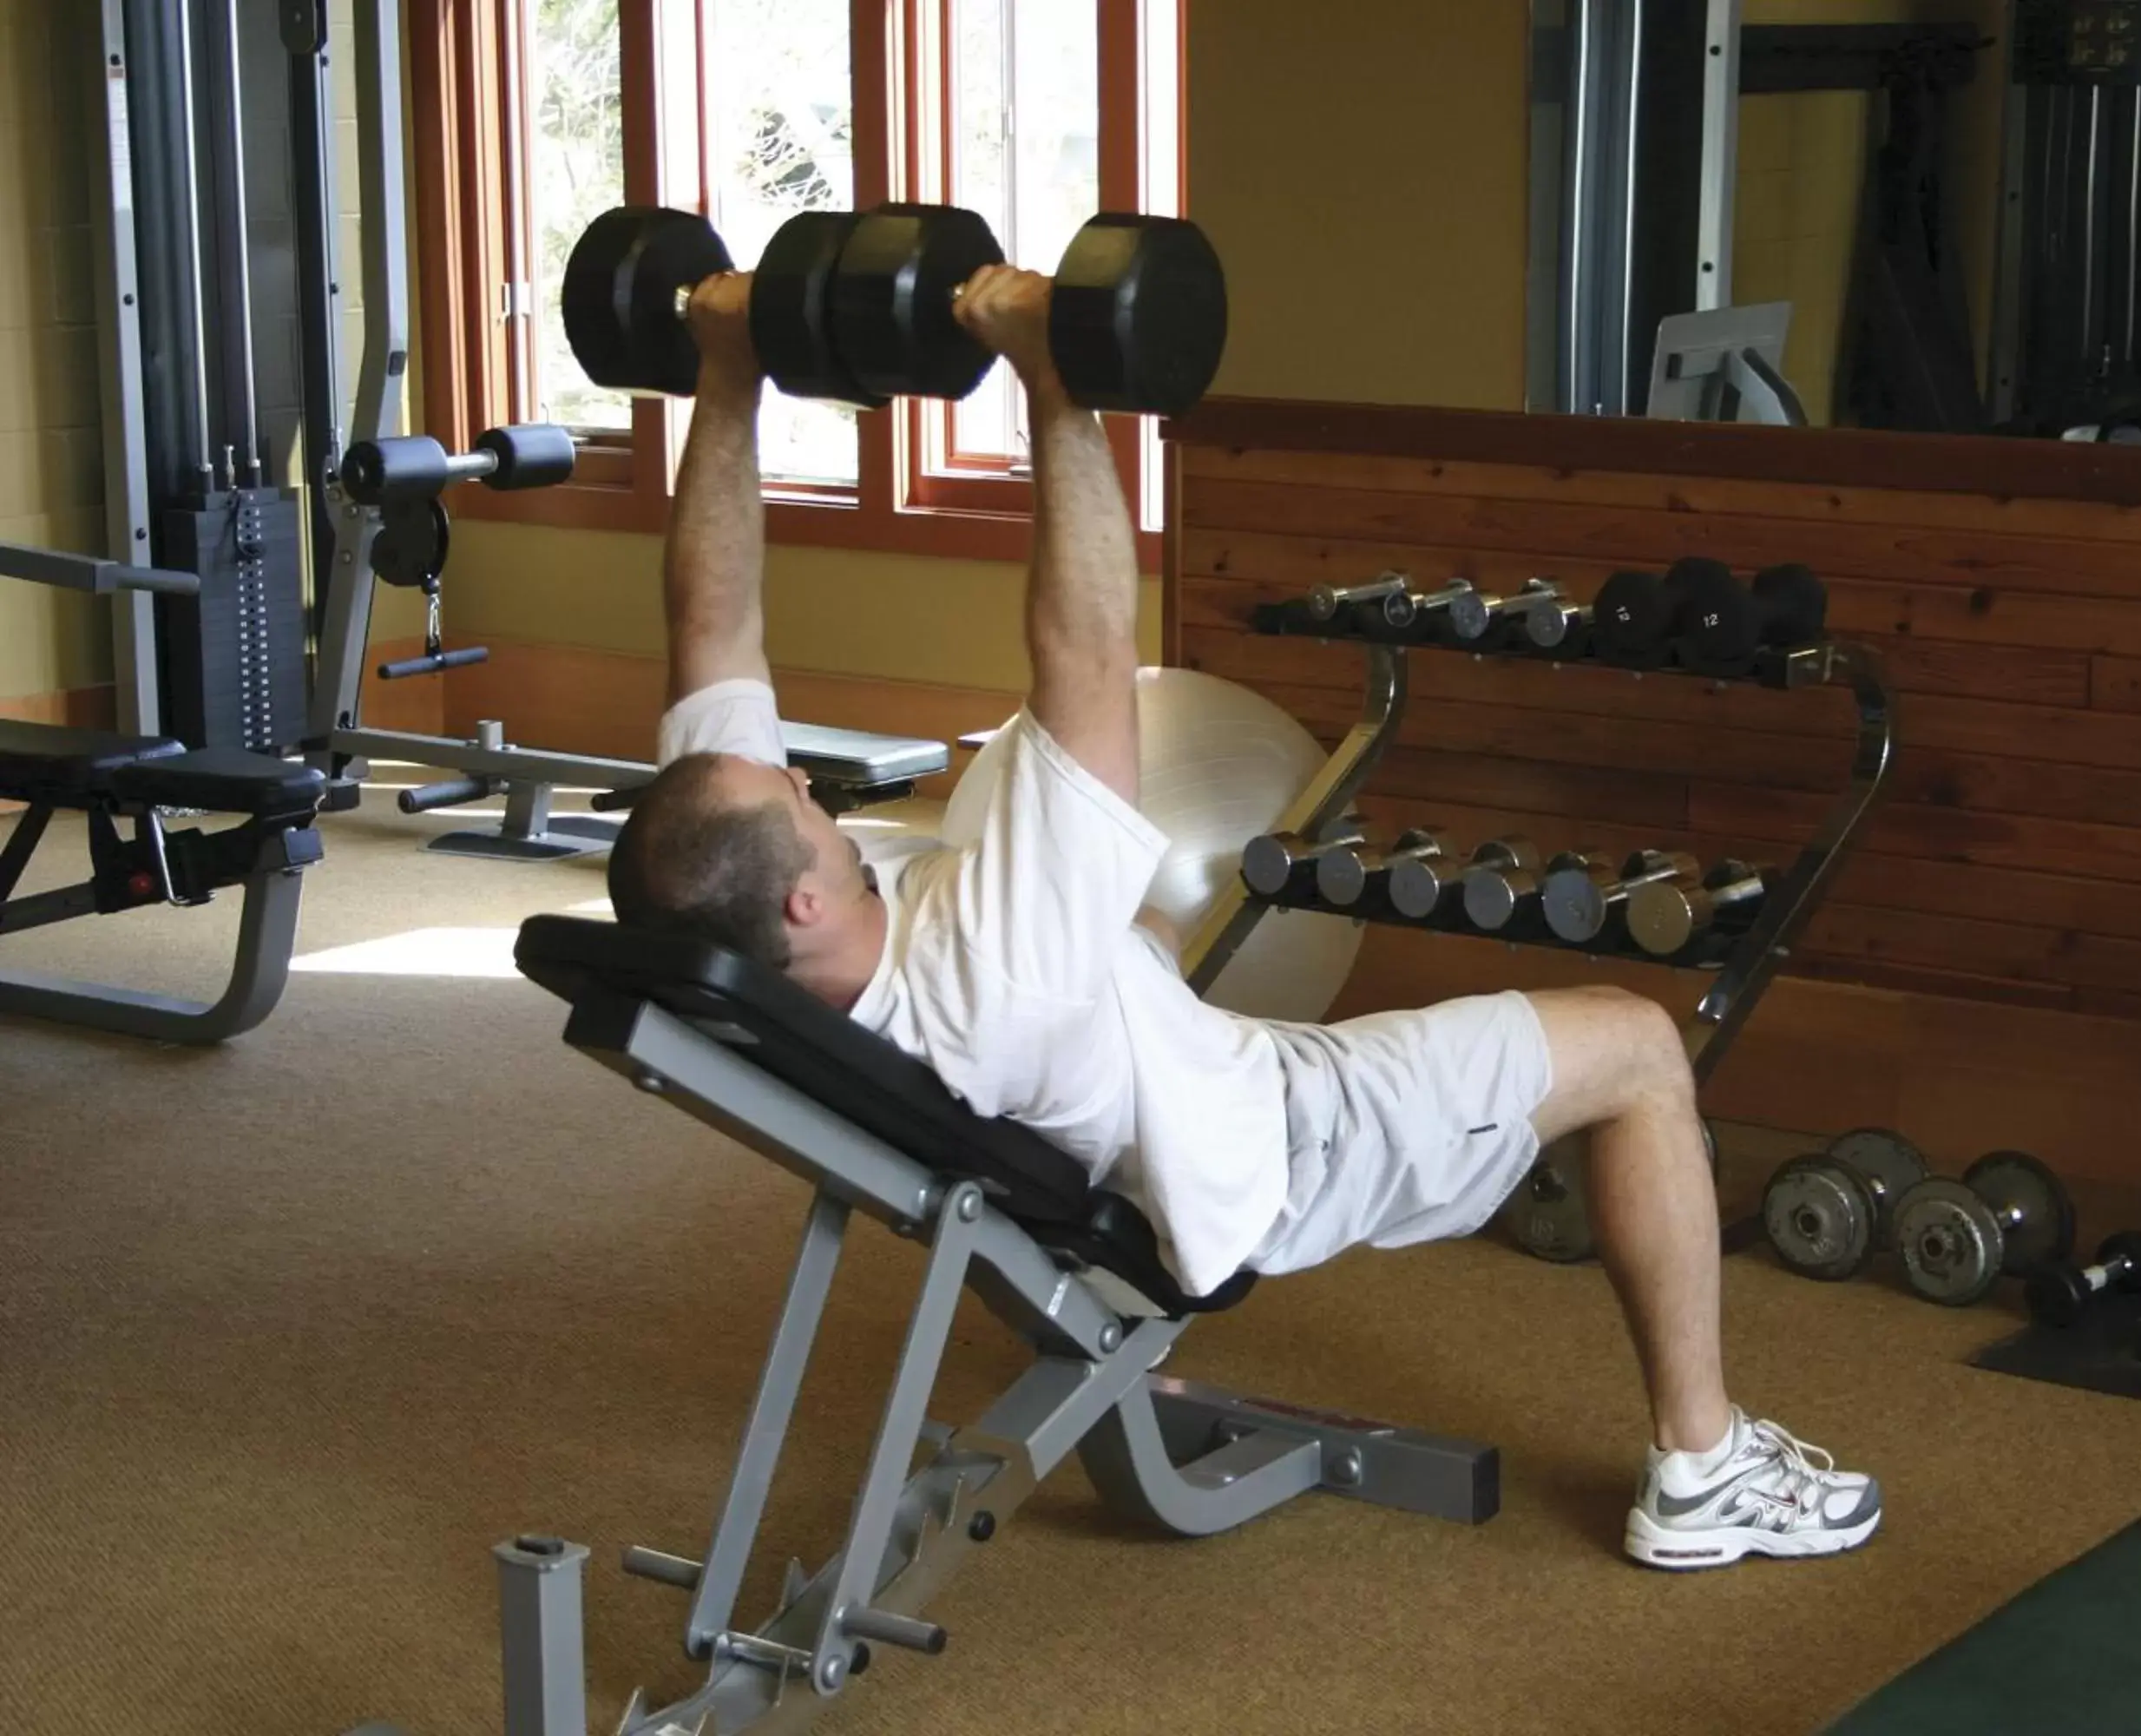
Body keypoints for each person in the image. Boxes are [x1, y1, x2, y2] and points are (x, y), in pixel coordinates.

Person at [604, 265, 1878, 1570]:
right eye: (799, 797)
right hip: (1297, 1136)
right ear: (806, 897)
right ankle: (1703, 1465)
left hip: (1180, 1083)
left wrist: (724, 372)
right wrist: (1059, 381)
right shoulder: (995, 965)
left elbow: (712, 623)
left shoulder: (738, 911)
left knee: (1148, 945)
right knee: (1638, 1047)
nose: (808, 782)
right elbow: (1091, 653)